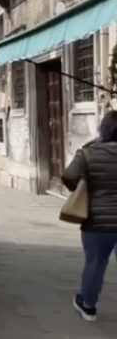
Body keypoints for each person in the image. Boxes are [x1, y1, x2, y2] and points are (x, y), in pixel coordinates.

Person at [63, 109, 117, 322]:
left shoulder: (88, 153)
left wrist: (82, 185)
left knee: (95, 262)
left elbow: (69, 176)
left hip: (96, 220)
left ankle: (88, 305)